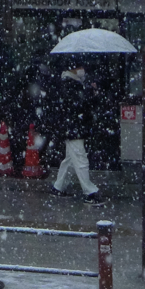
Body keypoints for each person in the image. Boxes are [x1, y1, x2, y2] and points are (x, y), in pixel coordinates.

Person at [49, 64, 104, 205]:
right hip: (73, 129)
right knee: (80, 159)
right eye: (79, 67)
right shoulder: (69, 85)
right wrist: (91, 93)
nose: (82, 70)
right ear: (72, 69)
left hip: (72, 128)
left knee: (70, 159)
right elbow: (78, 105)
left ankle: (58, 187)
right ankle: (90, 191)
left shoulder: (73, 84)